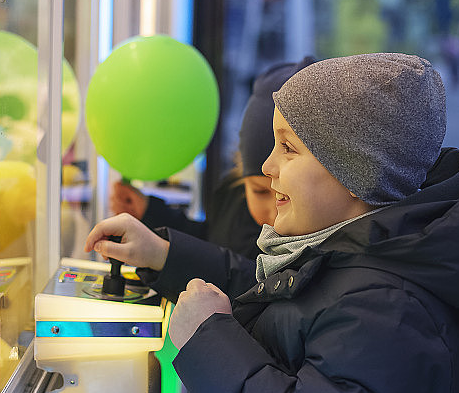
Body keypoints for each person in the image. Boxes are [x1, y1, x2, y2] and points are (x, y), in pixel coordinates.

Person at [86, 53, 459, 393]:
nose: (267, 167)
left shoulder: (390, 310)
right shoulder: (357, 260)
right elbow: (288, 305)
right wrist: (167, 256)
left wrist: (208, 341)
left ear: (356, 172)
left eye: (288, 148)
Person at [109, 56, 316, 260]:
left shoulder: (314, 247)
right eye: (260, 191)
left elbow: (249, 276)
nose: (274, 213)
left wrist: (166, 254)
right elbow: (212, 242)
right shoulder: (231, 196)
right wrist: (151, 213)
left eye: (286, 194)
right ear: (242, 173)